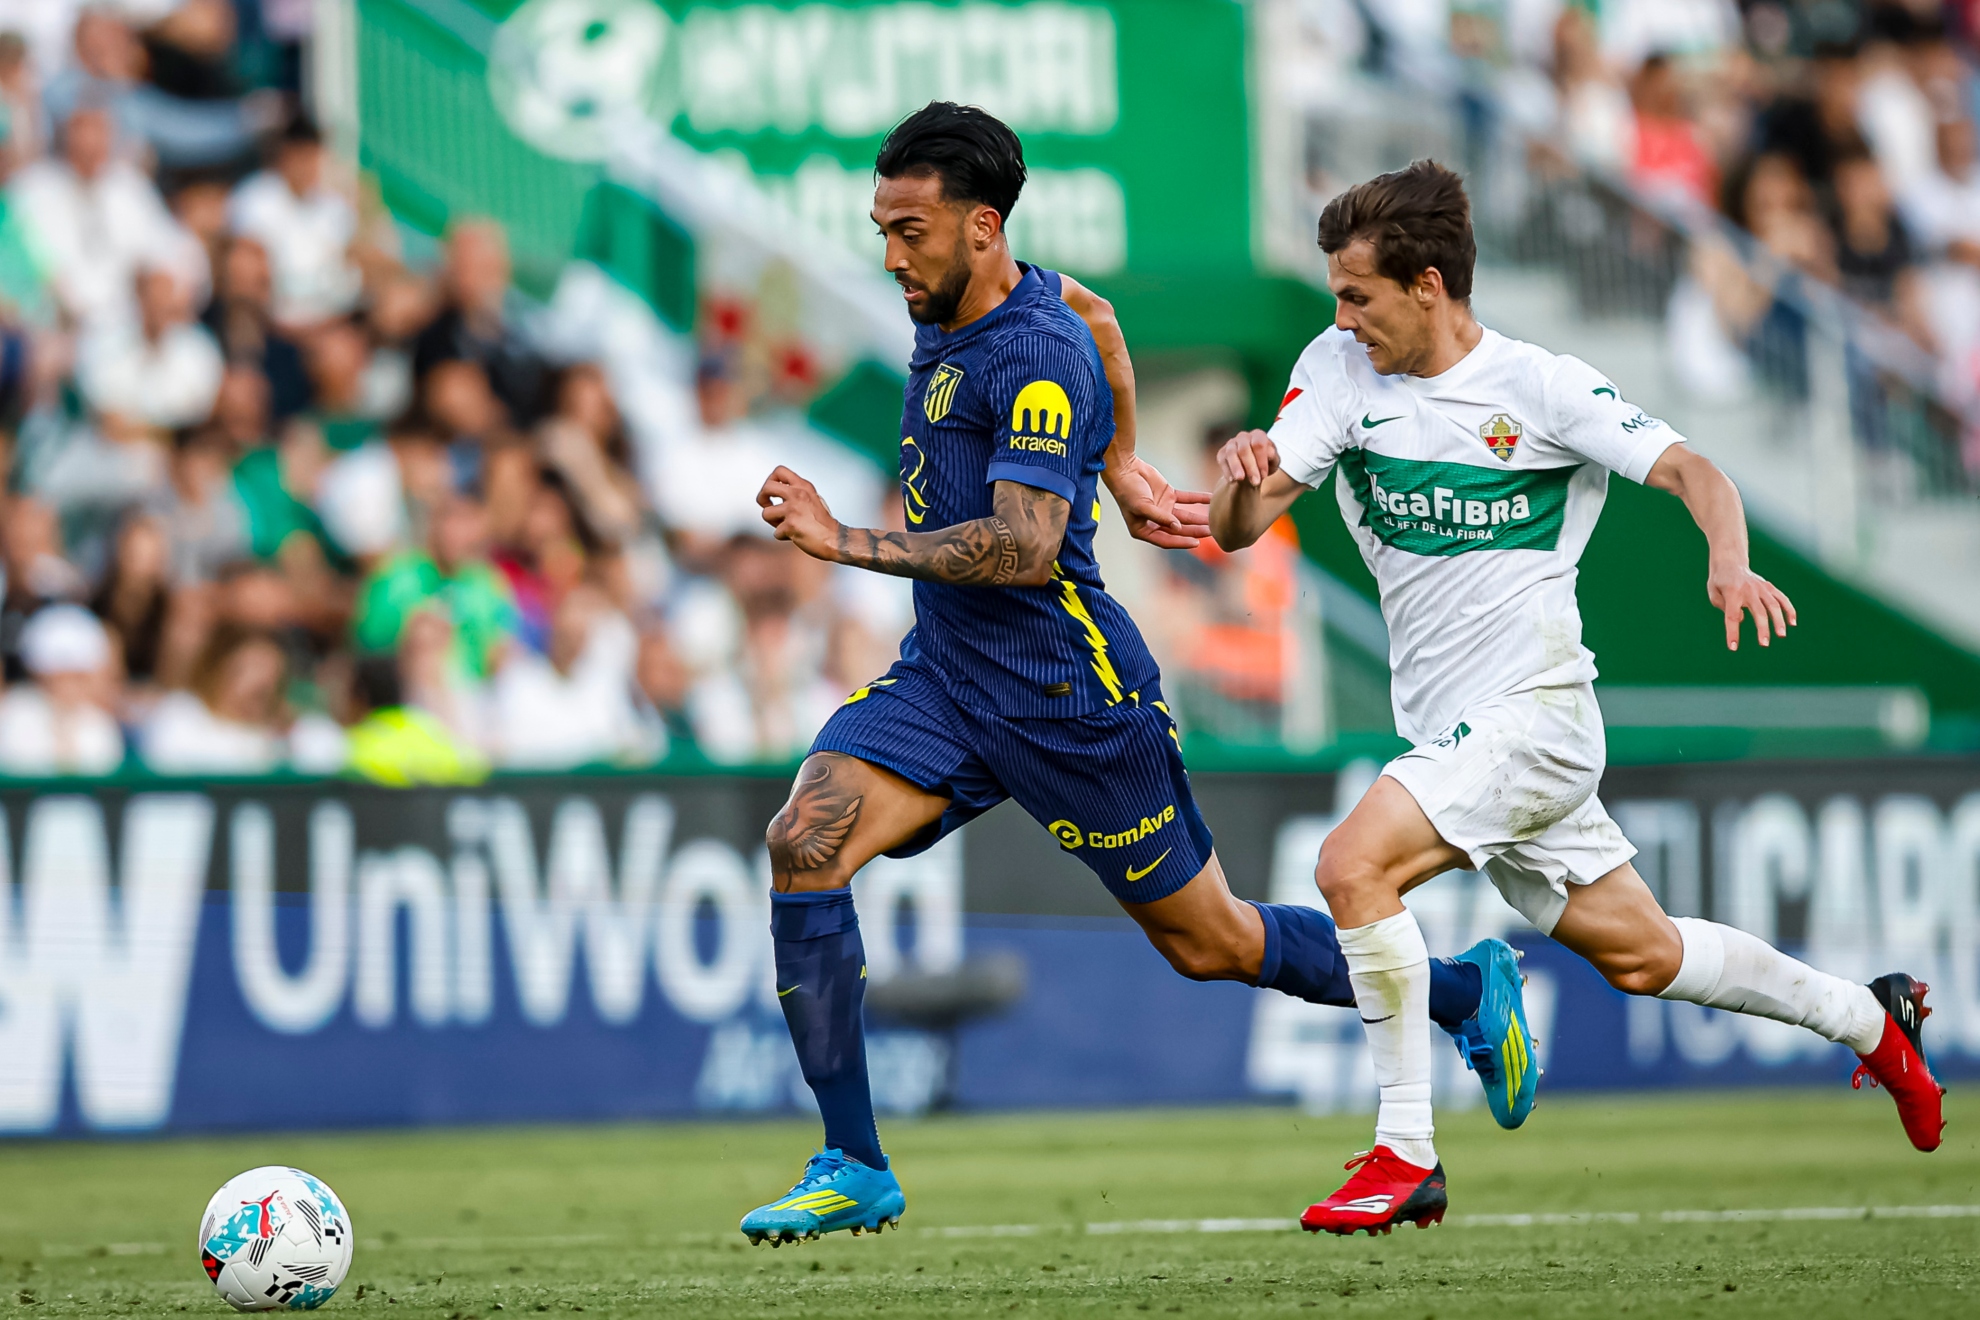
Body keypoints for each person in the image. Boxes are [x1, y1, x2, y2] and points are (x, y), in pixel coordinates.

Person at [736, 104, 1534, 1246]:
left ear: (979, 227)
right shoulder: (977, 291)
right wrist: (1119, 465)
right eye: (882, 227)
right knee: (804, 841)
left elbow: (1017, 547)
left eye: (908, 231)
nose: (890, 253)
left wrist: (842, 540)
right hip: (950, 676)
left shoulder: (1029, 355)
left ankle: (1461, 989)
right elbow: (1098, 308)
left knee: (1210, 943)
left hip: (1070, 692)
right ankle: (854, 1161)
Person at [1206, 160, 1945, 1238]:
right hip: (1462, 732)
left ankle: (1405, 1151)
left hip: (1534, 716)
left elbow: (1698, 473)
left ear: (1426, 285)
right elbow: (1239, 525)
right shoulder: (1339, 369)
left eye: (1357, 294)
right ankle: (1873, 1021)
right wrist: (1239, 472)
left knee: (1349, 864)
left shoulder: (1538, 388)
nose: (1341, 316)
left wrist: (1728, 561)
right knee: (1647, 957)